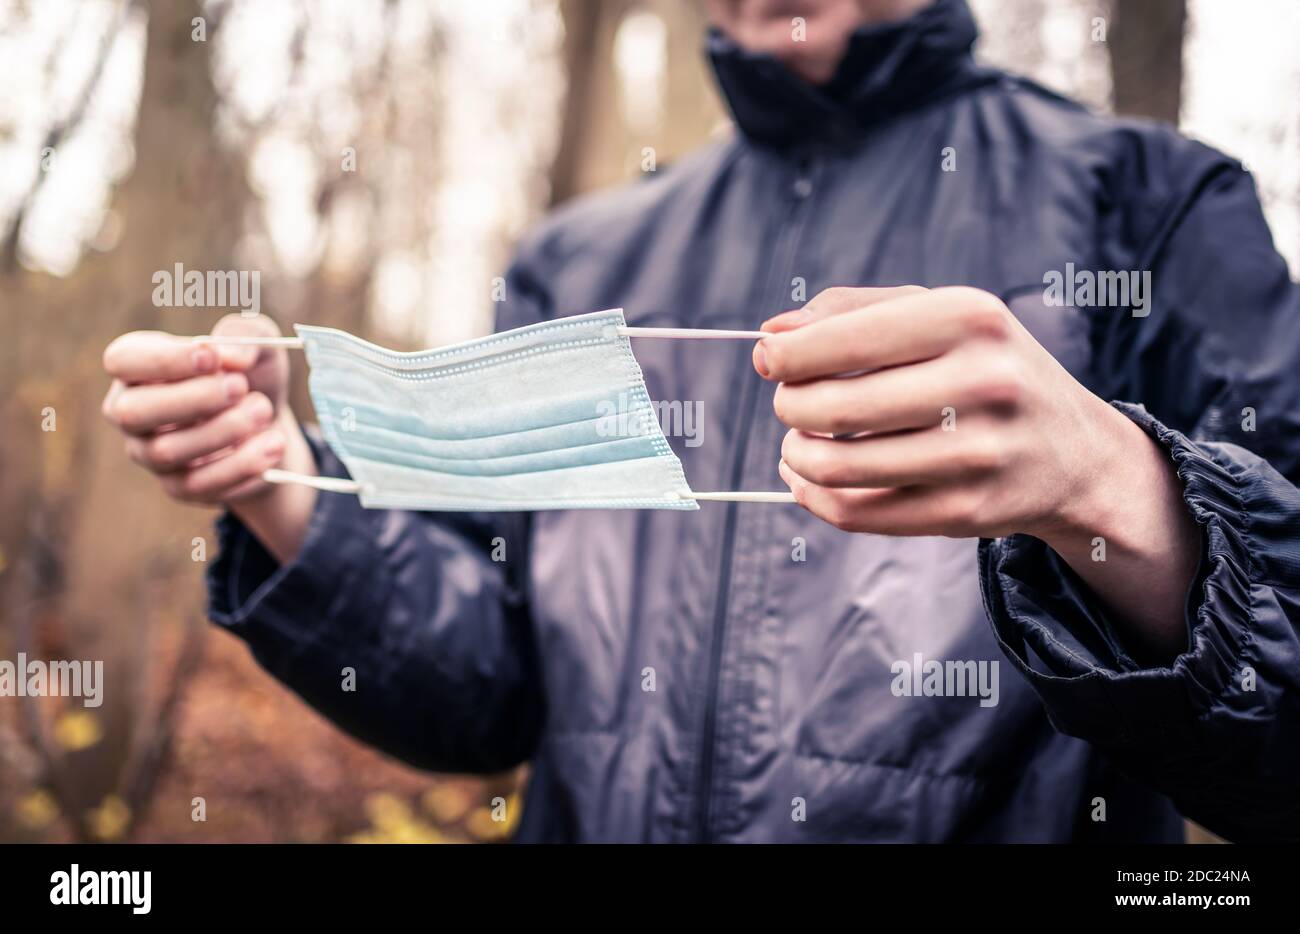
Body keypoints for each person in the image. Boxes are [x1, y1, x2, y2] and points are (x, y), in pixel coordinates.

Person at [100, 0, 1300, 842]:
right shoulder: (581, 261)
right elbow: (492, 694)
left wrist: (1117, 492)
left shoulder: (1148, 205)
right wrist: (283, 490)